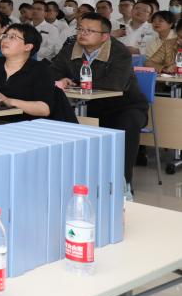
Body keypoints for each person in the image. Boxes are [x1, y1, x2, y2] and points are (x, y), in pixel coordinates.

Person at [50, 13, 149, 189]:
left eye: (89, 30)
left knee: (128, 123)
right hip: (85, 105)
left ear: (104, 36)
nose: (82, 33)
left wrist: (75, 82)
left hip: (124, 106)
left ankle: (123, 183)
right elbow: (52, 71)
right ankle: (67, 179)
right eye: (80, 29)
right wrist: (62, 79)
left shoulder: (119, 52)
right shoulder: (70, 48)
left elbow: (115, 83)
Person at [0, 24, 75, 123]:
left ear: (28, 47)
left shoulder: (40, 70)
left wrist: (9, 101)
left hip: (25, 125)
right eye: (5, 36)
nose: (5, 40)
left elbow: (44, 109)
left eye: (12, 37)